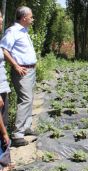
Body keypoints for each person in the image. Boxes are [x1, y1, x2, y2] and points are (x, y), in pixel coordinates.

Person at [0, 6, 37, 147]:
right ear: (24, 18)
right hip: (22, 72)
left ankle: (26, 127)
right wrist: (15, 66)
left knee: (29, 98)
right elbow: (4, 50)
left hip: (30, 71)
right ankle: (17, 134)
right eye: (31, 17)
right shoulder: (13, 31)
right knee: (25, 99)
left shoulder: (24, 31)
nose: (32, 19)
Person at [0, 11, 15, 171]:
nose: (1, 19)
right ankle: (2, 164)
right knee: (2, 129)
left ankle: (5, 161)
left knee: (2, 125)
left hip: (3, 88)